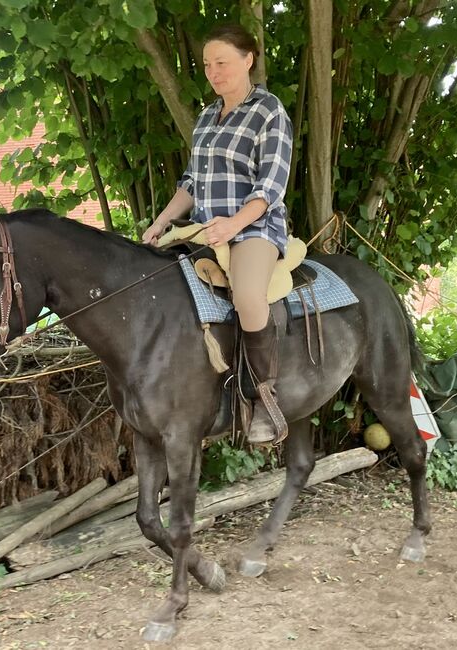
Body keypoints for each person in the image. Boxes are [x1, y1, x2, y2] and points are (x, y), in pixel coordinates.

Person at [142, 24, 293, 444]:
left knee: (246, 297)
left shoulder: (269, 112)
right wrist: (160, 222)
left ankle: (265, 397)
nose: (213, 71)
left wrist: (233, 225)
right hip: (205, 231)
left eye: (222, 62)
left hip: (254, 230)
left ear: (249, 60)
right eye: (207, 64)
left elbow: (271, 187)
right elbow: (191, 183)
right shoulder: (208, 116)